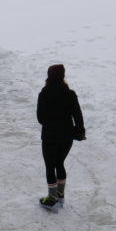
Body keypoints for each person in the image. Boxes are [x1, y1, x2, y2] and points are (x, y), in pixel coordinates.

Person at [37, 64, 85, 207]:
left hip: (49, 136)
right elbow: (78, 116)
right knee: (59, 163)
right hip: (66, 136)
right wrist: (80, 132)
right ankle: (60, 195)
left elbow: (40, 118)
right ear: (63, 76)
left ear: (49, 76)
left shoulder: (44, 93)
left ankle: (52, 198)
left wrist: (51, 120)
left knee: (50, 166)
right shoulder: (70, 94)